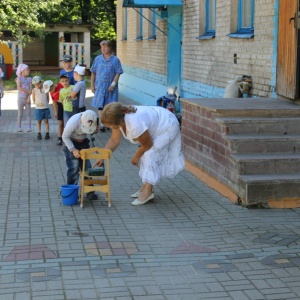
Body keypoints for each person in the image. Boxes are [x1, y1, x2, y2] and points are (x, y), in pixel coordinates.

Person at [93, 103, 185, 206]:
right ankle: (146, 185)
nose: (108, 127)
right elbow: (114, 140)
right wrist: (102, 157)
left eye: (109, 125)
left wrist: (136, 157)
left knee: (150, 154)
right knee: (146, 154)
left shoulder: (135, 124)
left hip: (168, 125)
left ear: (117, 121)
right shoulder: (119, 119)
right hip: (159, 122)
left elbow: (147, 145)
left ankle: (148, 190)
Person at [62, 110, 99, 200]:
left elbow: (93, 130)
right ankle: (72, 192)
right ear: (81, 121)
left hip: (83, 143)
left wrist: (95, 130)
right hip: (71, 143)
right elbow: (64, 136)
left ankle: (90, 191)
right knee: (73, 169)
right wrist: (73, 149)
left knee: (87, 168)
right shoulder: (73, 122)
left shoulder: (95, 119)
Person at [90, 40, 123, 132]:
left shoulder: (115, 60)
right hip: (100, 87)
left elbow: (118, 72)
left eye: (105, 47)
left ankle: (110, 123)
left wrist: (113, 84)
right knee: (100, 106)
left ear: (109, 48)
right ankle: (102, 124)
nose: (103, 49)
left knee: (110, 107)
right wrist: (92, 85)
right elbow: (93, 72)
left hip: (110, 88)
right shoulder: (98, 59)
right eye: (102, 47)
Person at [43, 80, 63, 145]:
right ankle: (59, 138)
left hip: (67, 104)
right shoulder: (51, 92)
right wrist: (55, 112)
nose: (50, 91)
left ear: (53, 85)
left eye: (50, 89)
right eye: (49, 91)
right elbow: (54, 102)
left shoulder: (61, 85)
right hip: (60, 106)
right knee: (60, 122)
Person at [32, 76, 51, 140]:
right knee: (39, 121)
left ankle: (47, 133)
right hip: (38, 109)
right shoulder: (34, 90)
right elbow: (33, 99)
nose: (37, 85)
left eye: (38, 84)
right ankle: (39, 133)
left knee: (46, 121)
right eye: (35, 84)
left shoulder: (45, 89)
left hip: (45, 107)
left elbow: (48, 96)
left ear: (41, 82)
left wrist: (47, 102)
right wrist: (36, 104)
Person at [16, 64, 32, 132]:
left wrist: (28, 97)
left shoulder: (29, 79)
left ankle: (29, 127)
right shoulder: (18, 78)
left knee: (28, 113)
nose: (29, 71)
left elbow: (31, 89)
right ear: (22, 71)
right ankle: (19, 127)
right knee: (20, 113)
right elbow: (19, 87)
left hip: (27, 99)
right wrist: (27, 91)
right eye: (27, 70)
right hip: (20, 98)